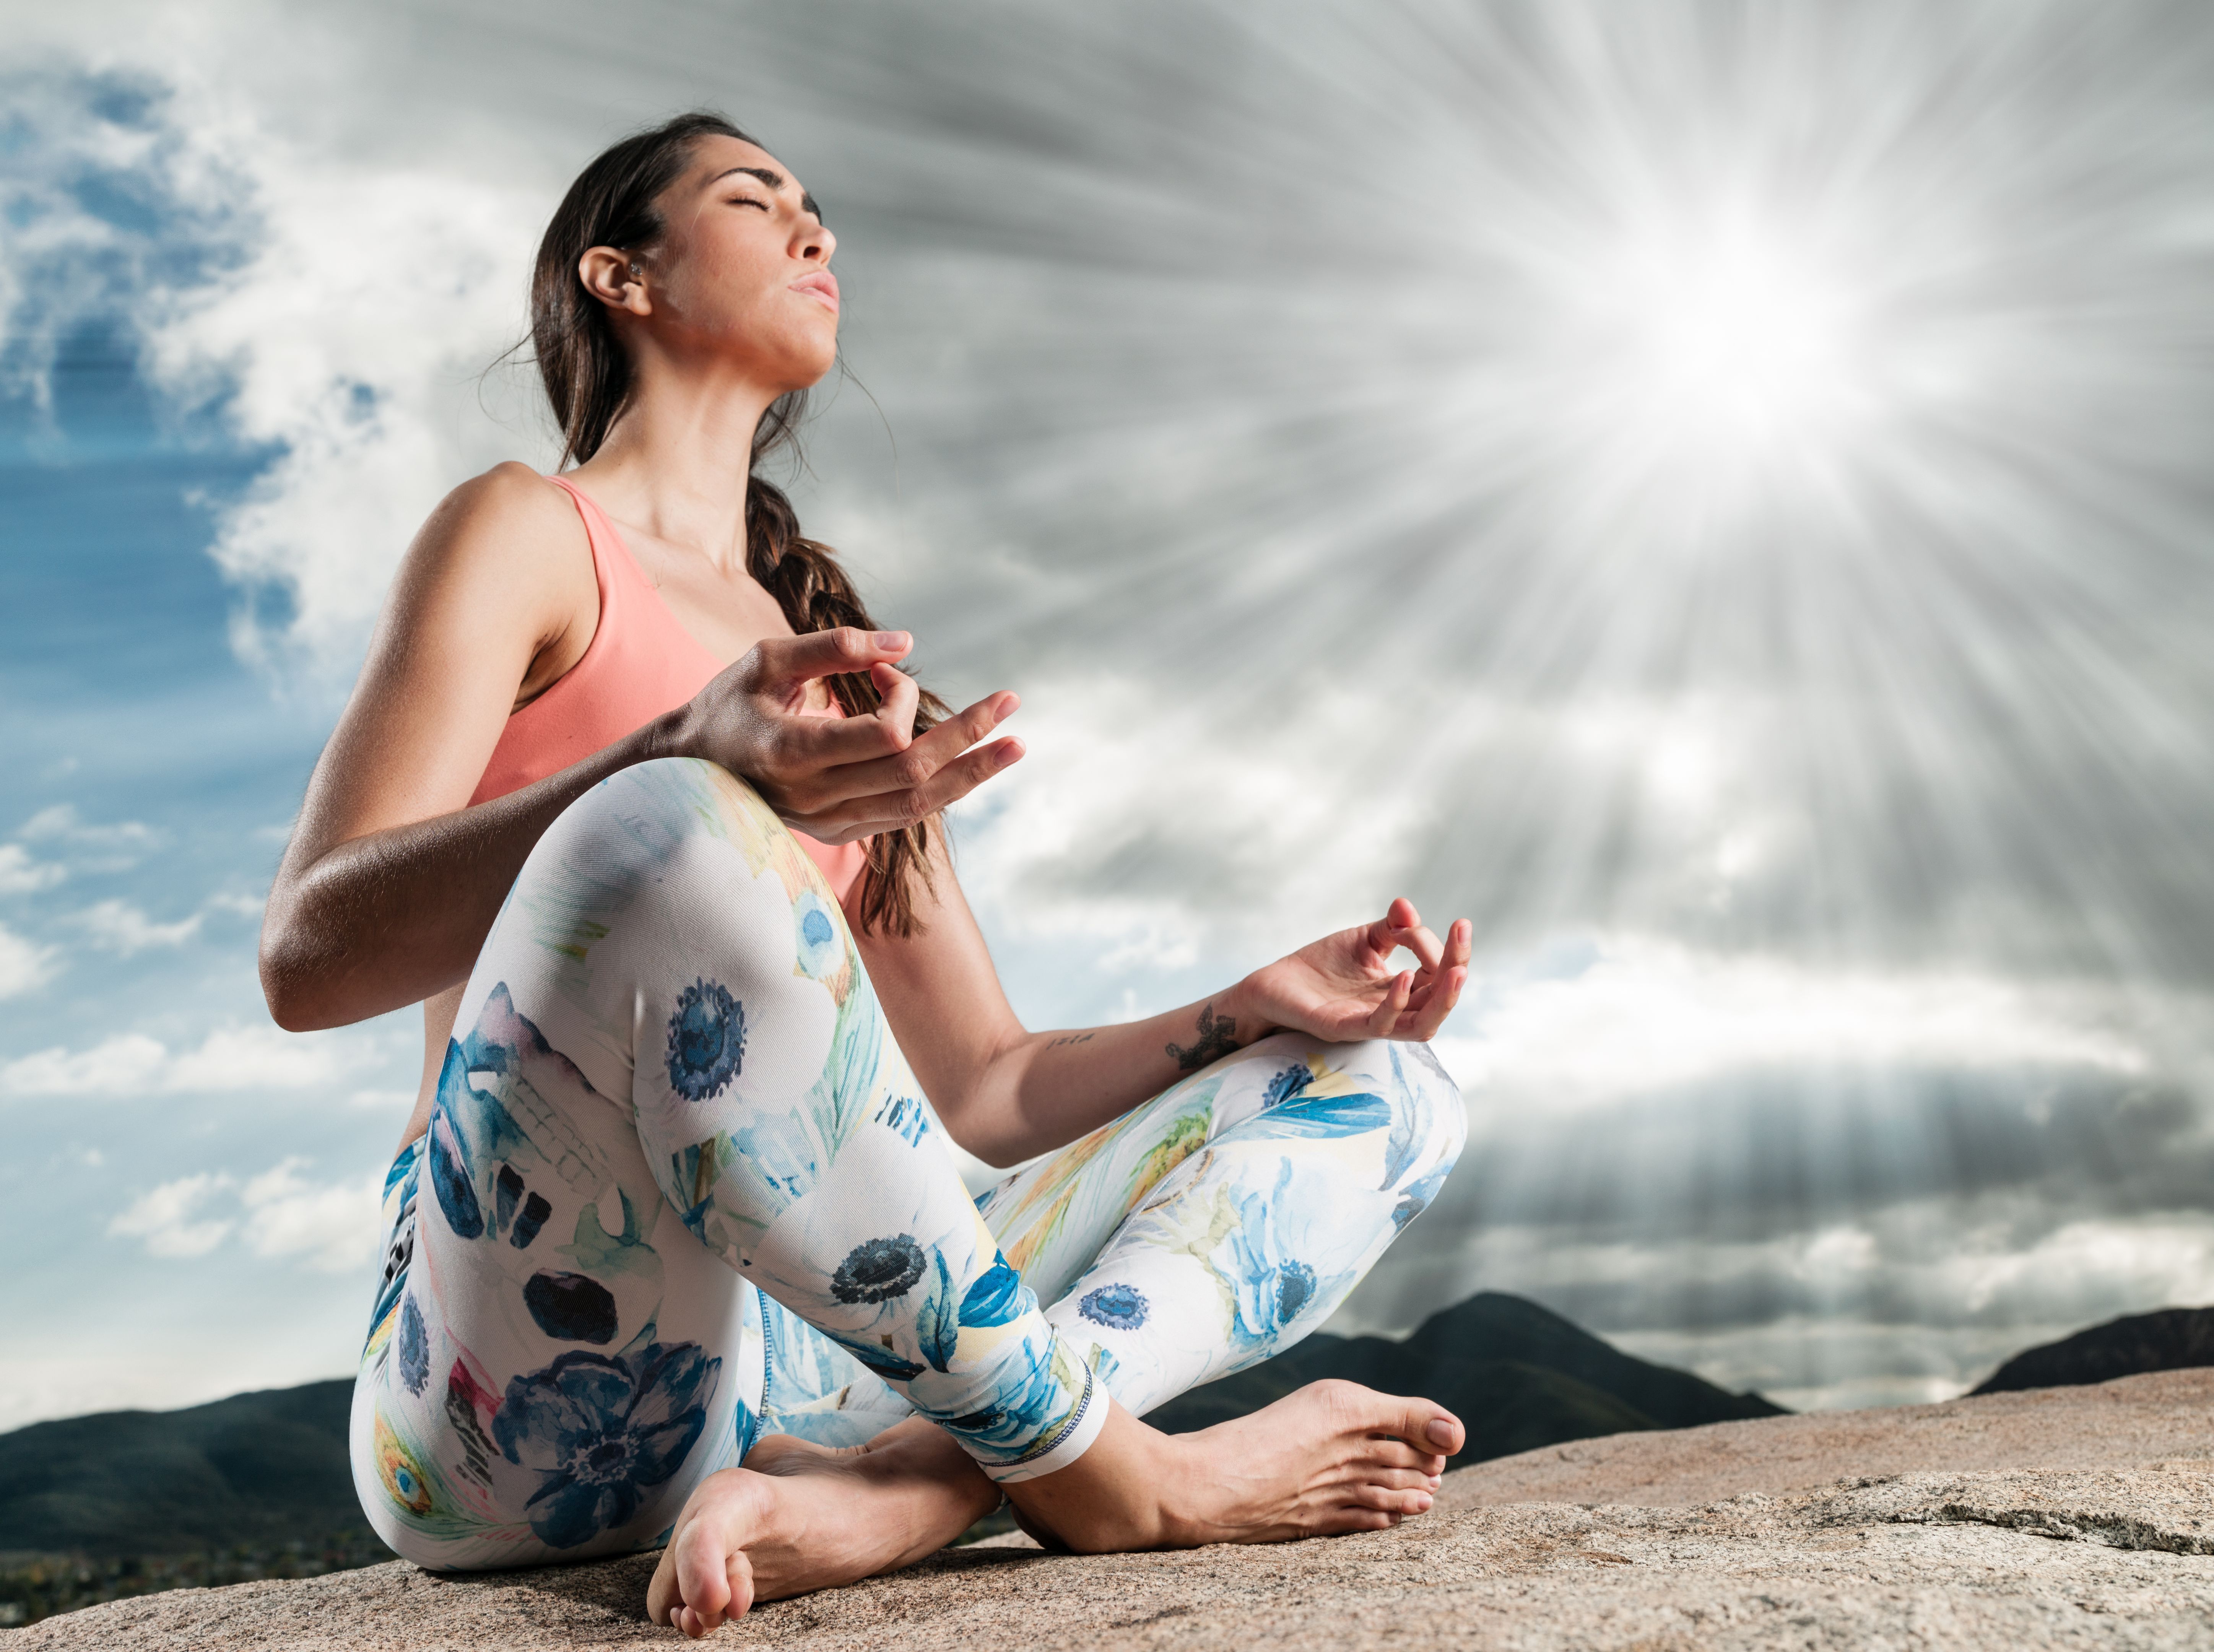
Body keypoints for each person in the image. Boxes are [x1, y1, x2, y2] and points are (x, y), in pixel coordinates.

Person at [260, 111, 1473, 1638]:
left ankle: (907, 1488)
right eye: (758, 200)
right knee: (677, 827)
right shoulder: (524, 532)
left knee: (1382, 1090)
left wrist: (1244, 1009)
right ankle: (1119, 1480)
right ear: (617, 277)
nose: (815, 232)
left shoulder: (836, 657)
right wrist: (672, 750)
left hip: (817, 1382)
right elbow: (305, 958)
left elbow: (989, 1086)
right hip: (525, 1386)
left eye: (818, 210)